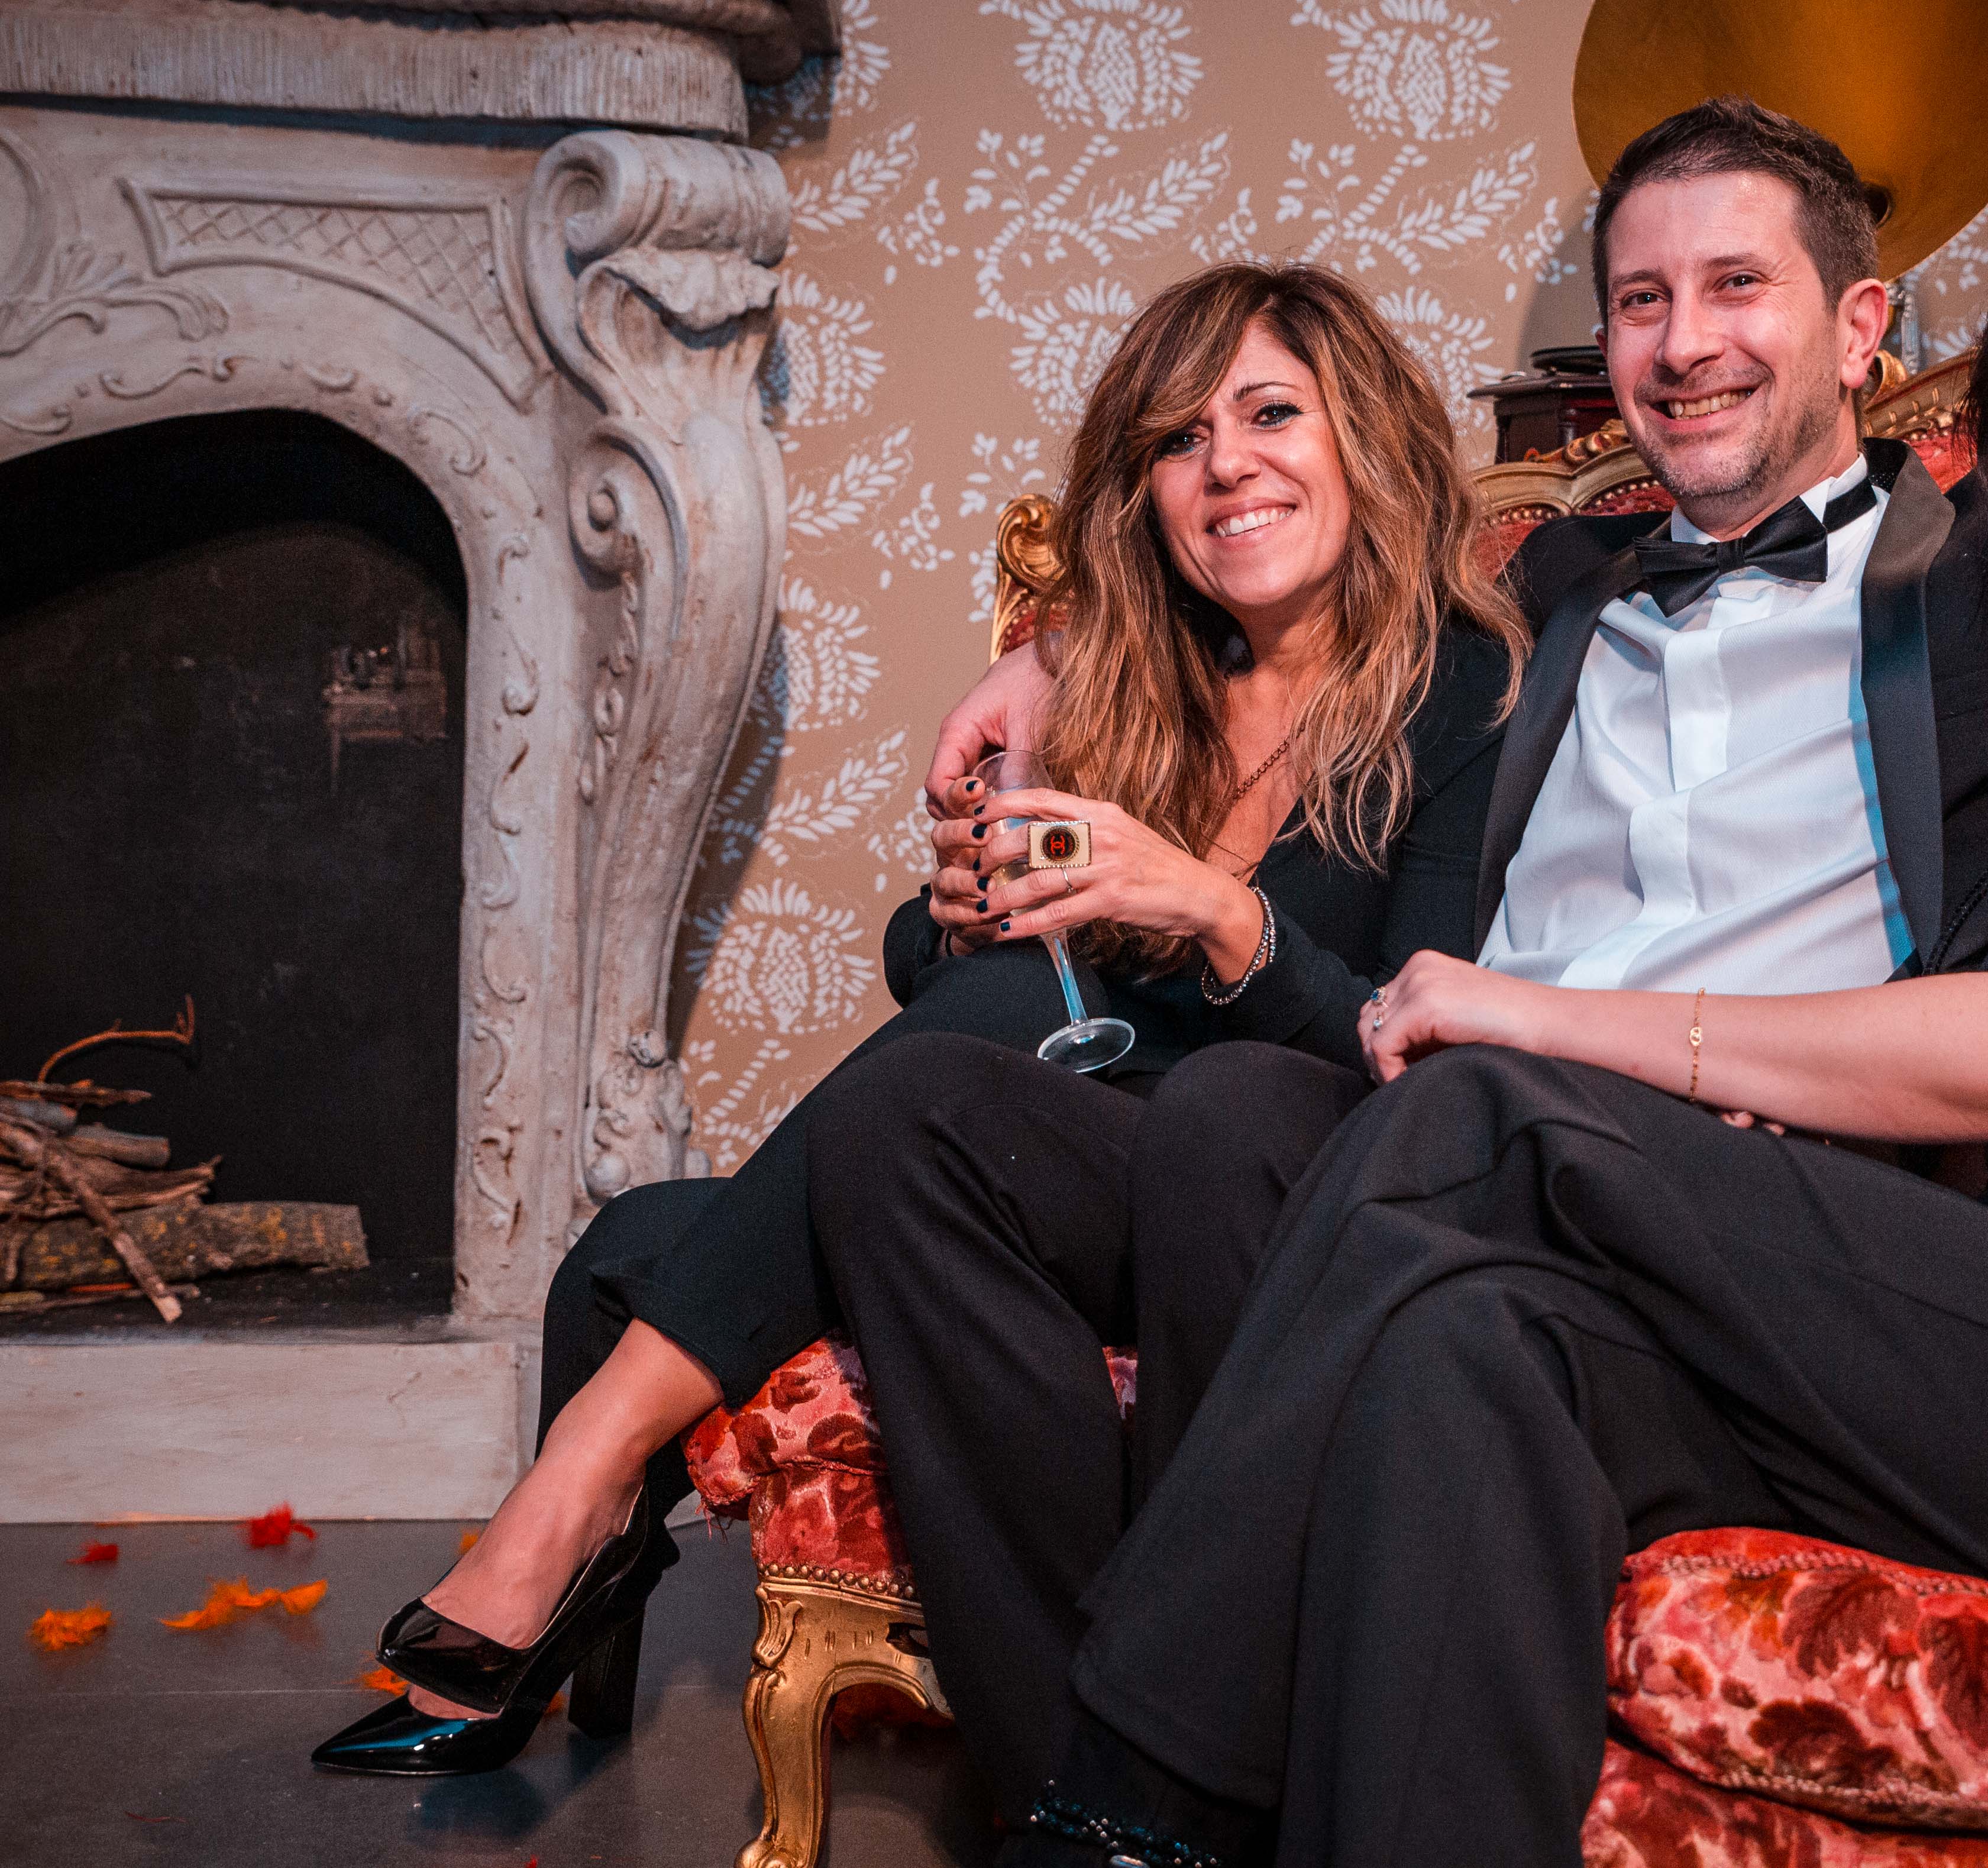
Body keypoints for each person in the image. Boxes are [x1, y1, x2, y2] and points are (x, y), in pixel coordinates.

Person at [966, 132, 1988, 1866]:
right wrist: (1062, 650)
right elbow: (1352, 583)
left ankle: (1123, 1812)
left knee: (1474, 1112)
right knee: (1464, 1351)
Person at [309, 261, 1527, 1778]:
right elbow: (983, 981)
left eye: (1271, 413)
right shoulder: (1141, 677)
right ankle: (581, 1637)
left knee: (915, 1085)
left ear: (1364, 438)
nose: (1225, 464)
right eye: (1178, 438)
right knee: (625, 1249)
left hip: (1261, 1183)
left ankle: (571, 1497)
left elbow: (1403, 1040)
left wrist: (1218, 913)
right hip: (1031, 1160)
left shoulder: (1465, 691)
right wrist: (947, 914)